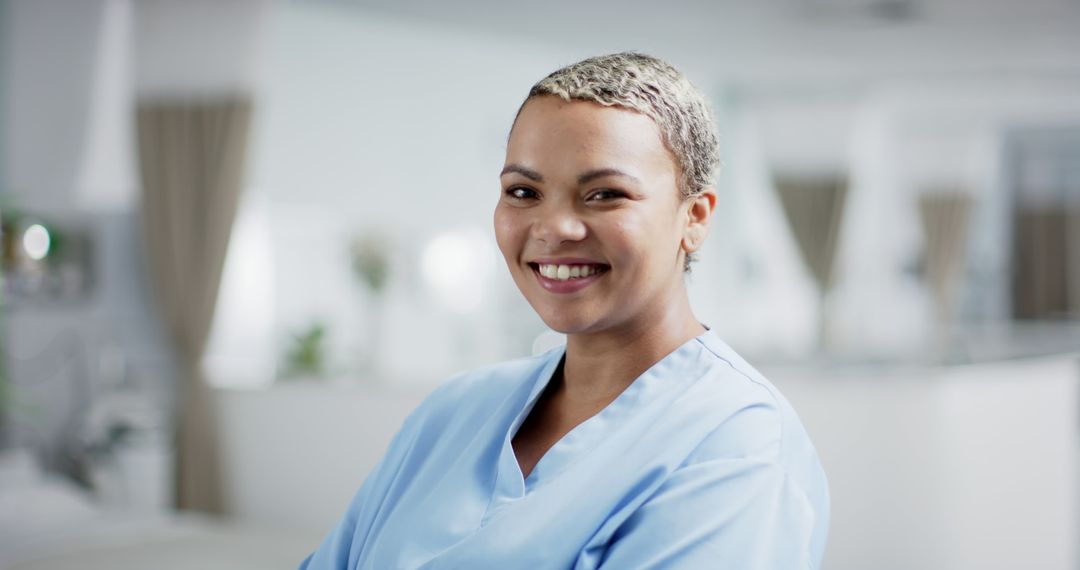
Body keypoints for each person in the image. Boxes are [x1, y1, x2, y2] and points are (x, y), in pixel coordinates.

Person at [300, 52, 829, 569]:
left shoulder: (735, 446)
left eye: (604, 194)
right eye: (523, 191)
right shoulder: (452, 412)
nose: (553, 228)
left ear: (694, 217)